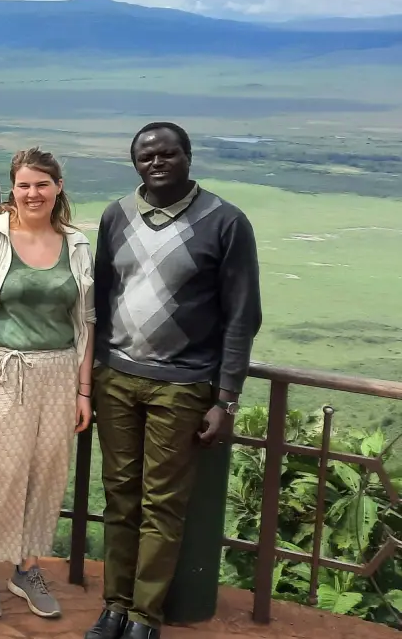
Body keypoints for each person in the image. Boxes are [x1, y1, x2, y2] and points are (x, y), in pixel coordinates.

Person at [86, 123, 261, 639]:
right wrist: (95, 371)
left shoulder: (225, 221)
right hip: (117, 377)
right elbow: (101, 298)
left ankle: (145, 616)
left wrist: (226, 399)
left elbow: (242, 316)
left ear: (188, 156)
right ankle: (114, 605)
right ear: (135, 163)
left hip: (183, 385)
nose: (157, 163)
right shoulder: (117, 215)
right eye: (146, 156)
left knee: (162, 503)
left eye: (168, 154)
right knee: (119, 496)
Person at [0, 149, 95, 621]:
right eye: (25, 185)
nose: (33, 194)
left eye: (42, 184)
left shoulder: (75, 243)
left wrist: (83, 390)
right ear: (13, 188)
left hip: (59, 372)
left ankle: (27, 568)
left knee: (47, 474)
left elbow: (86, 320)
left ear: (58, 188)